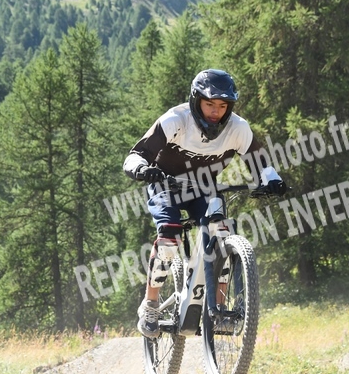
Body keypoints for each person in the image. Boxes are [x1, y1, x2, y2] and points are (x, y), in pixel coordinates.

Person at [123, 69, 287, 338]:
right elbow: (136, 155)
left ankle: (219, 310)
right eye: (210, 104)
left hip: (204, 187)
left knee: (221, 234)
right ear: (196, 100)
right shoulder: (176, 120)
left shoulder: (238, 128)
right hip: (165, 183)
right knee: (169, 239)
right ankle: (150, 304)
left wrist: (272, 180)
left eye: (222, 106)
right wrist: (142, 169)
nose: (215, 112)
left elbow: (261, 165)